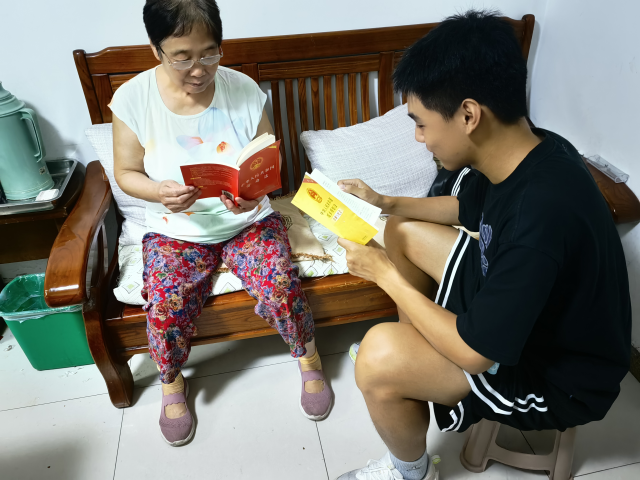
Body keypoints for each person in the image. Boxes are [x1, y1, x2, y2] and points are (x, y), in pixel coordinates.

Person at [335, 10, 631, 480]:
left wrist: (384, 275)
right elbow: (463, 208)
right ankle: (415, 354)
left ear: (469, 115)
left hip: (557, 375)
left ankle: (410, 470)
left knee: (377, 357)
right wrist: (384, 202)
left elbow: (477, 354)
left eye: (421, 124)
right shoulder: (530, 148)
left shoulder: (540, 216)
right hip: (524, 308)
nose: (419, 138)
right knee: (401, 229)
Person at [111, 0, 332, 447]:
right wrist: (158, 191)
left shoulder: (243, 89)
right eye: (182, 57)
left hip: (247, 220)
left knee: (280, 285)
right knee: (165, 304)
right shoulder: (133, 99)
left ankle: (309, 358)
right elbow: (126, 172)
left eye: (209, 53)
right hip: (175, 229)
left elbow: (266, 160)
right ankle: (171, 382)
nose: (199, 70)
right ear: (156, 49)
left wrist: (251, 193)